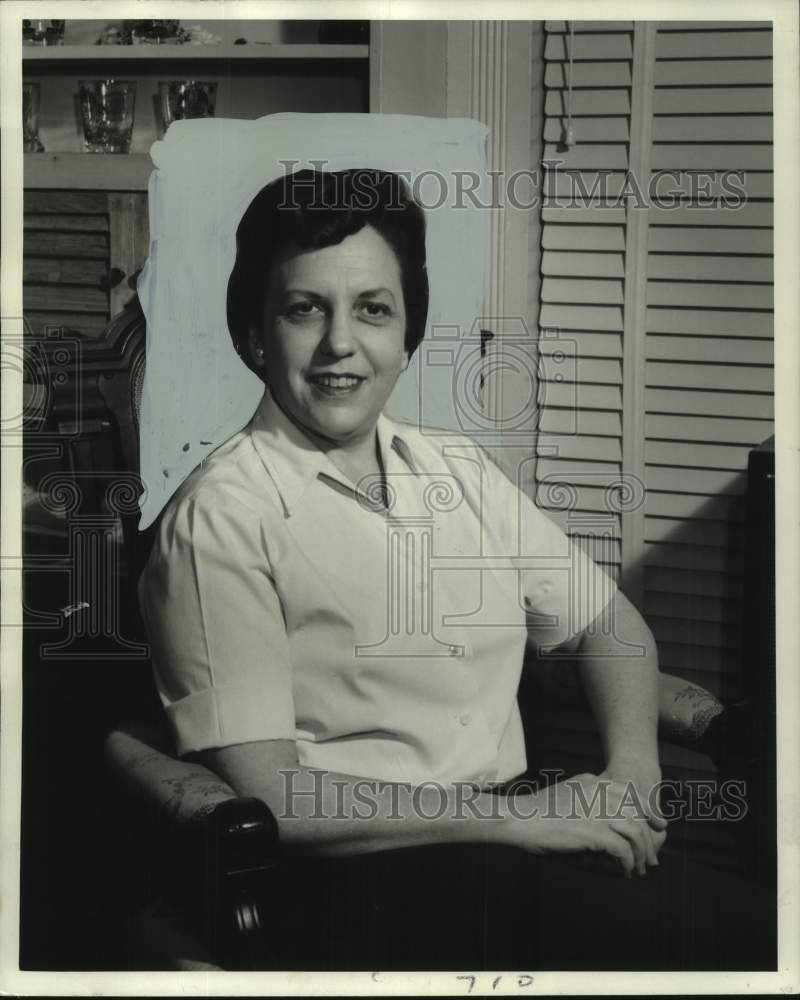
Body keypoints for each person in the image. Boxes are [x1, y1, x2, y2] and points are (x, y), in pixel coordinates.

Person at [138, 168, 772, 970]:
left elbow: (606, 622)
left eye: (373, 309)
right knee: (728, 948)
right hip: (364, 879)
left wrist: (630, 774)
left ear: (407, 337)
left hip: (518, 847)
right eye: (305, 309)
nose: (341, 344)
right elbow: (274, 795)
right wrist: (518, 818)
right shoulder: (222, 518)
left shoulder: (458, 470)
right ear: (256, 336)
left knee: (755, 933)